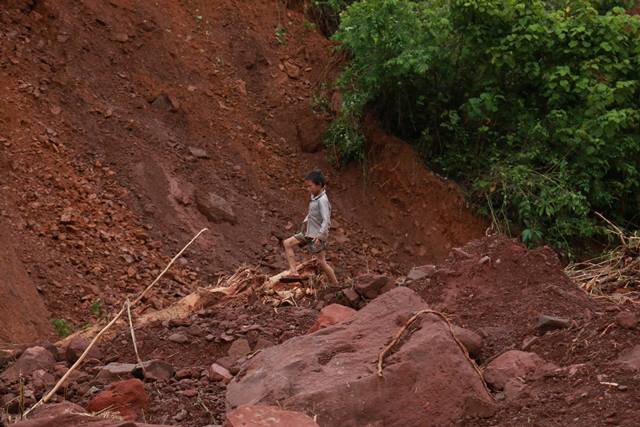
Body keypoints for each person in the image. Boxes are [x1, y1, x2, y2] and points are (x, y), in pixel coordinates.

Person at [282, 170, 339, 287]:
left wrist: (320, 236)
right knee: (287, 243)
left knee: (321, 262)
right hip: (308, 232)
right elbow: (312, 214)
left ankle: (336, 285)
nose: (308, 189)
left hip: (316, 236)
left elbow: (326, 220)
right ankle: (294, 273)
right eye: (307, 186)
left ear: (319, 185)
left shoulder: (323, 200)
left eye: (310, 186)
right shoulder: (315, 196)